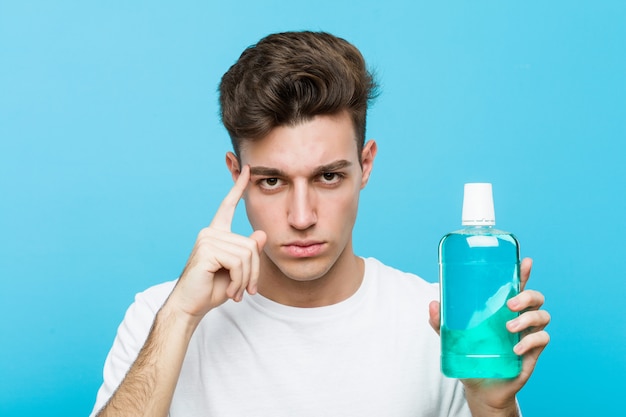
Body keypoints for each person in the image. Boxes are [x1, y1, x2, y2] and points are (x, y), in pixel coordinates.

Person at [90, 31, 550, 417]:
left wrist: (493, 410)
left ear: (365, 165)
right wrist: (178, 317)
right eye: (272, 181)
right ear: (237, 175)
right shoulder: (160, 316)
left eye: (328, 176)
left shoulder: (440, 321)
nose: (303, 217)